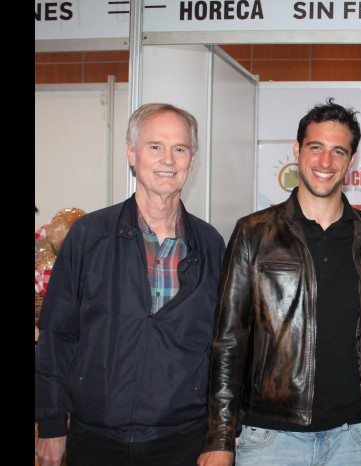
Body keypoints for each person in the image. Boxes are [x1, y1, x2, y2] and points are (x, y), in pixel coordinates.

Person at [198, 98, 361, 466]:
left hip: (352, 437)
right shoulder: (253, 233)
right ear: (297, 150)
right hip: (269, 438)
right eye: (316, 148)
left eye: (338, 151)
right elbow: (228, 341)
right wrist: (220, 436)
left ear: (352, 161)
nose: (326, 162)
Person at [35, 103, 226, 466]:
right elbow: (57, 334)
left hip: (183, 441)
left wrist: (222, 436)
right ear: (131, 153)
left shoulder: (211, 245)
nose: (167, 159)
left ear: (192, 159)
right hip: (95, 440)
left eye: (180, 149)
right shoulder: (89, 237)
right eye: (155, 146)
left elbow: (224, 348)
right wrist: (50, 424)